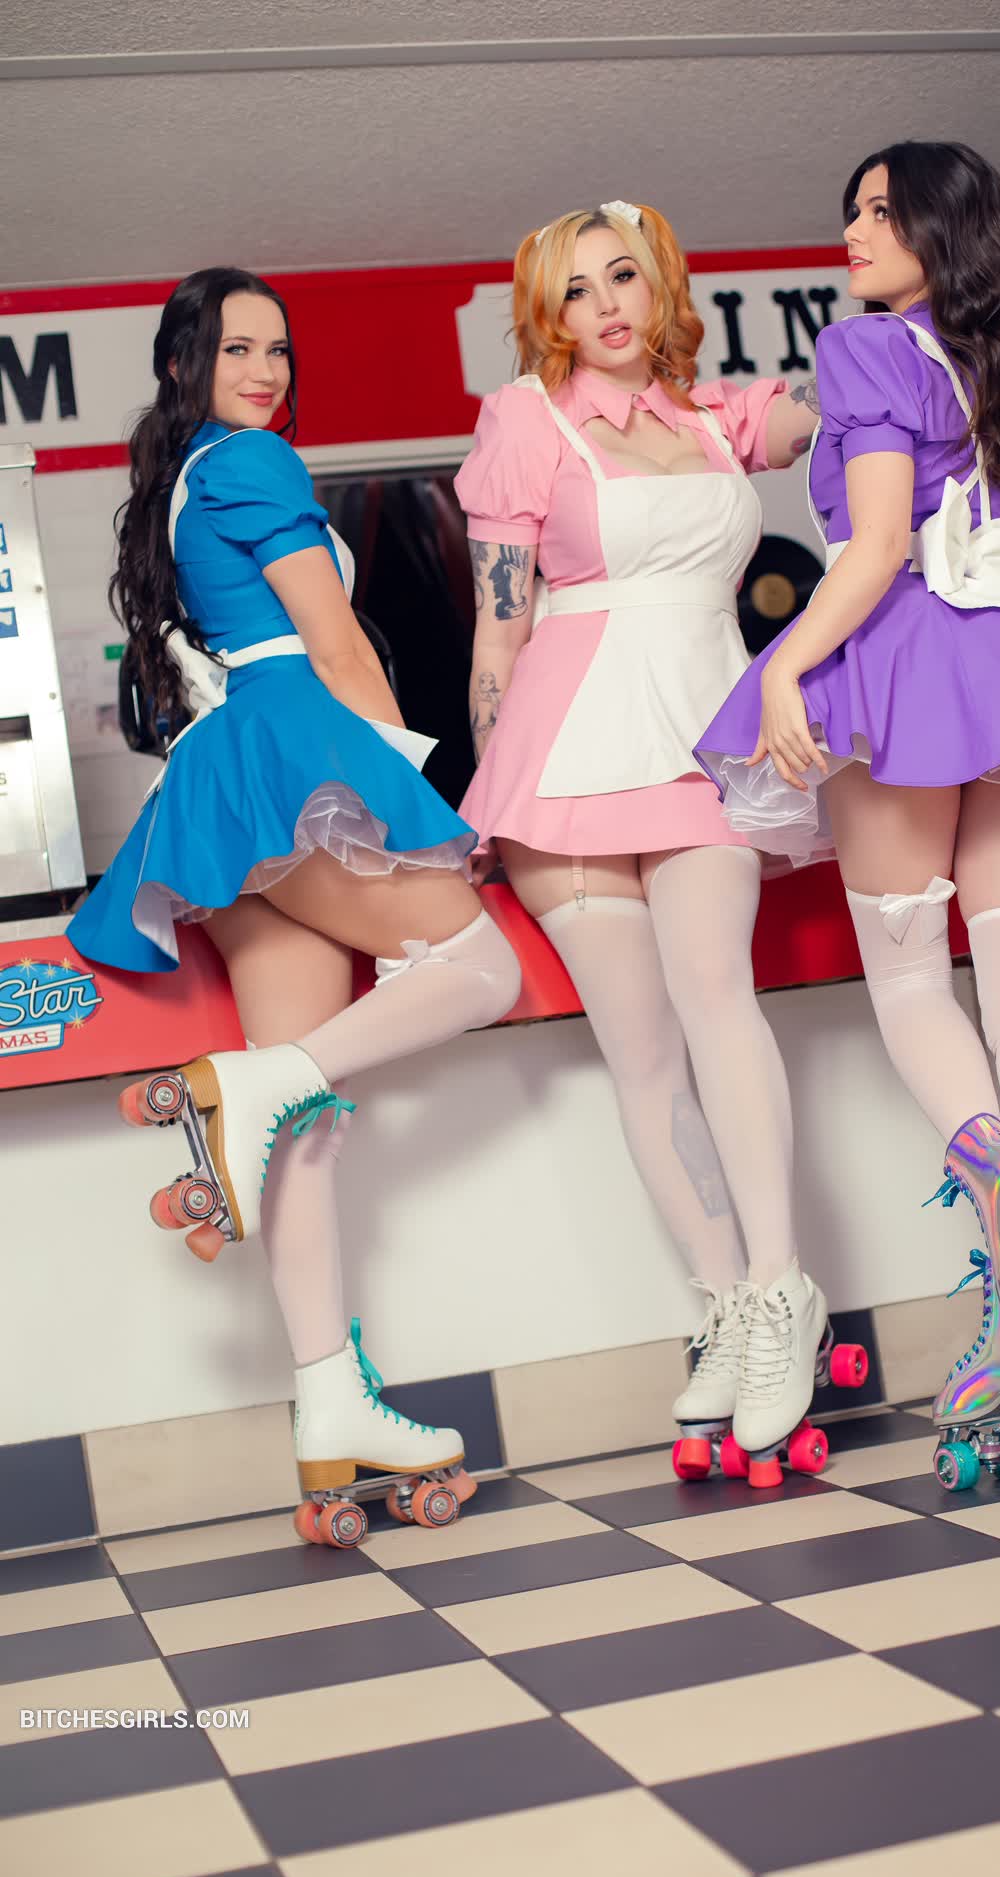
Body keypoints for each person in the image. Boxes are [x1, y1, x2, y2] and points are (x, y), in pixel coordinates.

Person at [695, 144, 1000, 1488]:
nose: (851, 230)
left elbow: (878, 544)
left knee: (905, 982)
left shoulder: (867, 349)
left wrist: (784, 666)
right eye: (849, 210)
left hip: (898, 659)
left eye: (881, 211)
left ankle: (993, 1170)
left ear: (943, 229)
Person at [68, 267, 522, 1539]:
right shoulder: (254, 464)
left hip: (227, 782)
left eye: (277, 350)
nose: (265, 371)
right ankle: (249, 1090)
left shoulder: (181, 484)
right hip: (291, 749)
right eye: (237, 349)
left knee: (305, 1124)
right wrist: (421, 798)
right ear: (184, 365)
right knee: (481, 968)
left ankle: (331, 1407)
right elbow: (335, 643)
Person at [456, 200, 854, 1481]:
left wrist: (973, 341)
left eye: (622, 276)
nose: (605, 307)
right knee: (639, 1056)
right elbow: (499, 629)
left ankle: (782, 1289)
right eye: (575, 292)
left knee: (715, 998)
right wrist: (490, 775)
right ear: (550, 316)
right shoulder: (527, 420)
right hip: (562, 754)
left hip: (702, 739)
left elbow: (853, 403)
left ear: (661, 285)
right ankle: (726, 1302)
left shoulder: (721, 418)